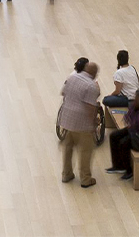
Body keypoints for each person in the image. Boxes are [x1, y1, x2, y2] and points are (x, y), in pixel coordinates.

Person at [57, 58, 102, 188]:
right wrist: (94, 123)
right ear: (94, 74)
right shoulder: (91, 86)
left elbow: (63, 92)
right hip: (82, 124)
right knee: (85, 151)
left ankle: (66, 174)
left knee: (67, 148)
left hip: (66, 119)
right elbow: (90, 108)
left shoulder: (71, 77)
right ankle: (85, 179)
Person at [106, 87, 139, 181]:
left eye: (137, 99)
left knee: (124, 142)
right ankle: (118, 166)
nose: (135, 100)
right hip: (136, 131)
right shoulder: (136, 107)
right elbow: (130, 119)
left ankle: (129, 171)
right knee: (114, 136)